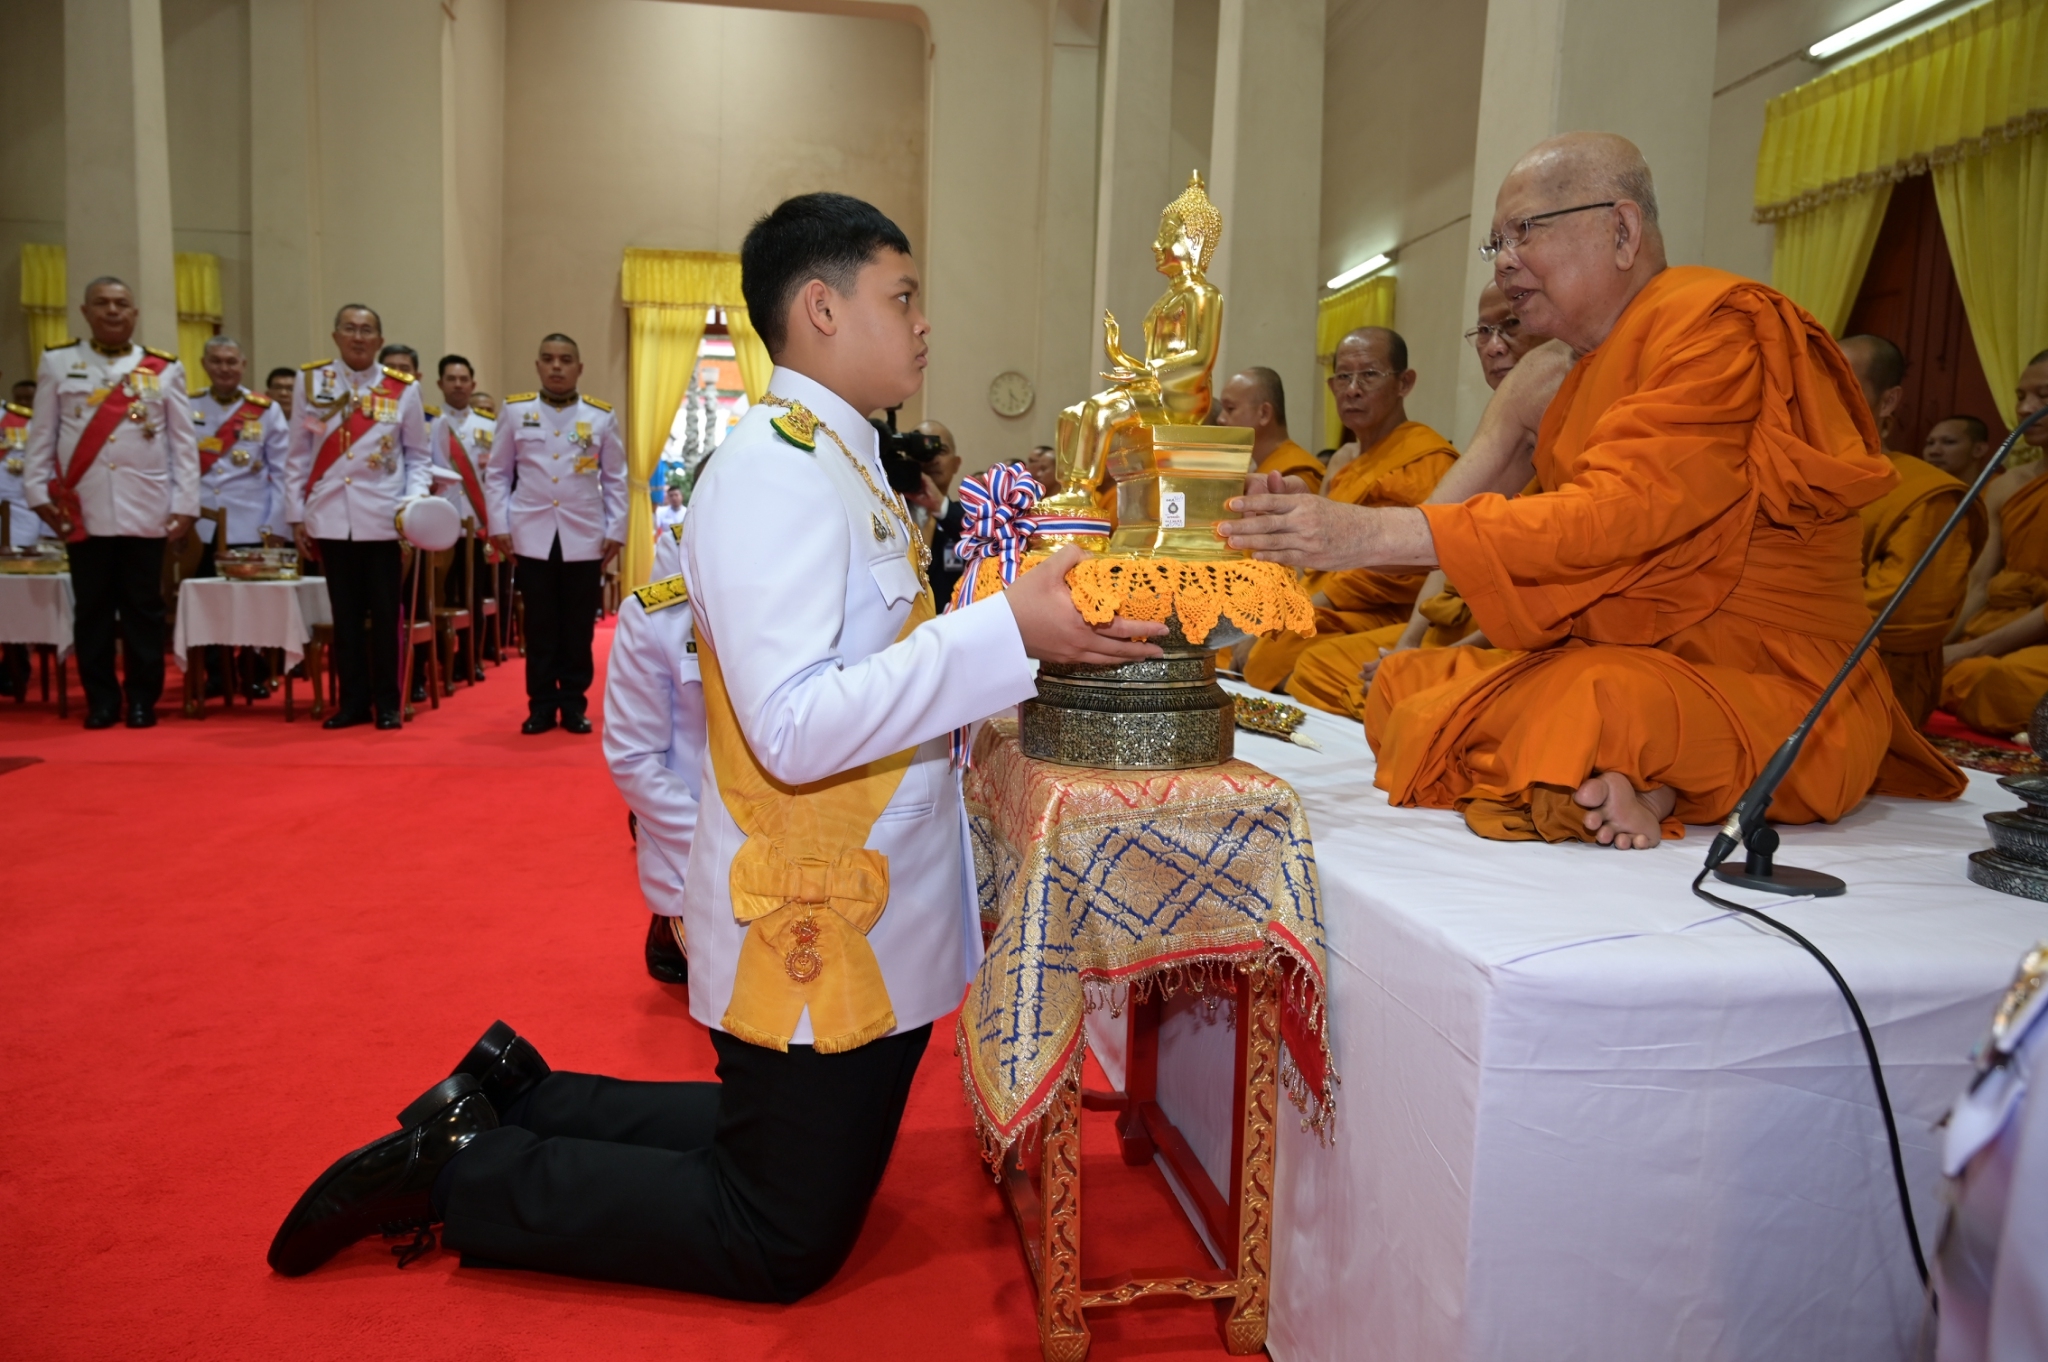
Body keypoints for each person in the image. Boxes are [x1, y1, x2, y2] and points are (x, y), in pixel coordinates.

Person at [266, 189, 1168, 1300]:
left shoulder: (844, 460)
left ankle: (522, 1095)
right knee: (775, 1233)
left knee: (778, 1150)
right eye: (903, 296)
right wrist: (1001, 635)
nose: (924, 322)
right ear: (821, 309)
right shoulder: (772, 471)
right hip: (814, 912)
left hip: (871, 894)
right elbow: (791, 726)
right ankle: (464, 1169)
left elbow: (882, 663)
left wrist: (1010, 642)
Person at [1220, 131, 1964, 848]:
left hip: (1772, 684)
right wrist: (1310, 536)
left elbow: (1619, 517)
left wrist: (1356, 532)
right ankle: (1640, 782)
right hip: (1638, 660)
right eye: (1496, 244)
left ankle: (1643, 778)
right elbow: (1488, 525)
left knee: (1590, 702)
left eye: (1524, 233)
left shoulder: (1717, 330)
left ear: (1622, 229)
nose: (1505, 263)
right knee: (1411, 684)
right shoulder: (1570, 369)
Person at [1284, 284, 1561, 718]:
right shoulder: (1494, 431)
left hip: (1515, 636)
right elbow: (1445, 539)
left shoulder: (1425, 456)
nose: (1493, 346)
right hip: (1446, 622)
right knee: (1312, 666)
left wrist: (1420, 659)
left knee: (1397, 691)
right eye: (1483, 331)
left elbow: (1407, 560)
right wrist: (1409, 644)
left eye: (1510, 326)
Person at [1237, 325, 1457, 691]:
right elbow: (1306, 558)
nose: (1353, 389)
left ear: (1404, 383)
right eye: (1343, 377)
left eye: (1369, 375)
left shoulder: (1428, 458)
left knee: (1277, 657)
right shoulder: (1341, 462)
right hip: (1318, 604)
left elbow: (1407, 566)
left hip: (1375, 613)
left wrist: (1293, 611)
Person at [23, 277, 197, 728]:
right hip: (83, 507)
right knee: (93, 608)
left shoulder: (163, 369)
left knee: (143, 607)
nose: (113, 311)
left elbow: (183, 443)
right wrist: (37, 492)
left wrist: (185, 503)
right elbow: (41, 433)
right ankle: (101, 699)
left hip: (147, 505)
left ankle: (142, 699)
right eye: (102, 303)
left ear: (135, 313)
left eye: (122, 304)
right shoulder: (59, 362)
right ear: (85, 312)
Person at [285, 304, 431, 730]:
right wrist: (296, 515)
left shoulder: (400, 388)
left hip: (383, 518)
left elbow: (418, 457)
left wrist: (412, 503)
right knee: (345, 617)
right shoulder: (311, 382)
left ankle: (388, 702)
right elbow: (297, 454)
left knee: (386, 616)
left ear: (379, 341)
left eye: (367, 330)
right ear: (336, 337)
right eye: (350, 328)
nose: (359, 336)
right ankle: (351, 702)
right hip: (330, 515)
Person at [1834, 335, 1984, 727]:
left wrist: (1787, 620)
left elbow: (1906, 615)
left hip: (1865, 678)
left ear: (1887, 401)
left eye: (1843, 383)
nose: (1821, 397)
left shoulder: (1924, 493)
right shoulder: (1785, 473)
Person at [485, 334, 627, 735]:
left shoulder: (600, 416)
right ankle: (542, 705)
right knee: (541, 626)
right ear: (538, 366)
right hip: (531, 533)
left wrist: (616, 529)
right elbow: (497, 473)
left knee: (578, 627)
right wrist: (500, 525)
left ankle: (574, 704)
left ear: (579, 368)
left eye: (566, 360)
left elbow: (615, 478)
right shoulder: (516, 412)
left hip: (584, 535)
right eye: (548, 359)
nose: (557, 367)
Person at [602, 521, 701, 984]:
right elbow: (634, 756)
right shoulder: (660, 613)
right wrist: (716, 853)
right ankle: (670, 918)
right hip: (698, 831)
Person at [1939, 352, 2048, 735]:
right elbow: (1980, 582)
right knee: (1929, 668)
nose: (2025, 408)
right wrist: (1938, 646)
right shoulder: (2006, 484)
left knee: (2007, 678)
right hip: (2003, 622)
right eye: (2021, 396)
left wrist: (1974, 649)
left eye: (2043, 397)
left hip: (2033, 645)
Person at [190, 335, 292, 699]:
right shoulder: (190, 407)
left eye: (231, 361)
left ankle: (253, 671)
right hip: (200, 528)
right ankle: (217, 674)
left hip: (250, 523)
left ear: (243, 365)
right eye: (216, 361)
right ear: (205, 364)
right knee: (210, 607)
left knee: (251, 609)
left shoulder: (264, 410)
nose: (224, 368)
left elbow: (282, 473)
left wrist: (275, 526)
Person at [423, 354, 496, 683]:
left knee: (472, 596)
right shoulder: (427, 422)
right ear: (440, 383)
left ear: (473, 384)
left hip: (476, 524)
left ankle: (471, 660)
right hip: (436, 525)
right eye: (451, 379)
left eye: (463, 379)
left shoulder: (488, 426)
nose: (457, 385)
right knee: (434, 596)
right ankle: (433, 662)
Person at [1215, 366, 1323, 492]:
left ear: (1264, 413)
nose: (1220, 419)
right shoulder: (1259, 467)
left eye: (1230, 408)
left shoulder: (1297, 475)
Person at [912, 418, 967, 605]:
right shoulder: (891, 511)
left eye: (941, 450)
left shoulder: (967, 518)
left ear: (956, 464)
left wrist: (939, 506)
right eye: (924, 449)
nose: (933, 459)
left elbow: (984, 544)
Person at [1923, 413, 1992, 482]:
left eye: (1949, 442)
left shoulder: (1997, 488)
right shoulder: (1918, 487)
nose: (1934, 451)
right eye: (1930, 443)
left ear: (1978, 450)